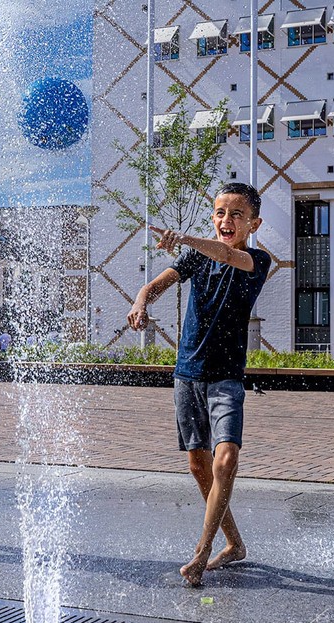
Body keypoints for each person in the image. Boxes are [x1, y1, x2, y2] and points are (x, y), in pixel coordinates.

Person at [127, 182, 271, 587]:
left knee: (226, 460)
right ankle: (235, 545)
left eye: (237, 215)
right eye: (220, 213)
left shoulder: (258, 259)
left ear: (254, 223)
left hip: (227, 377)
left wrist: (184, 237)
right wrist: (140, 303)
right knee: (198, 465)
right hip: (187, 372)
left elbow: (226, 254)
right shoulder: (194, 258)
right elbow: (155, 286)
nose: (227, 221)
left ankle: (202, 551)